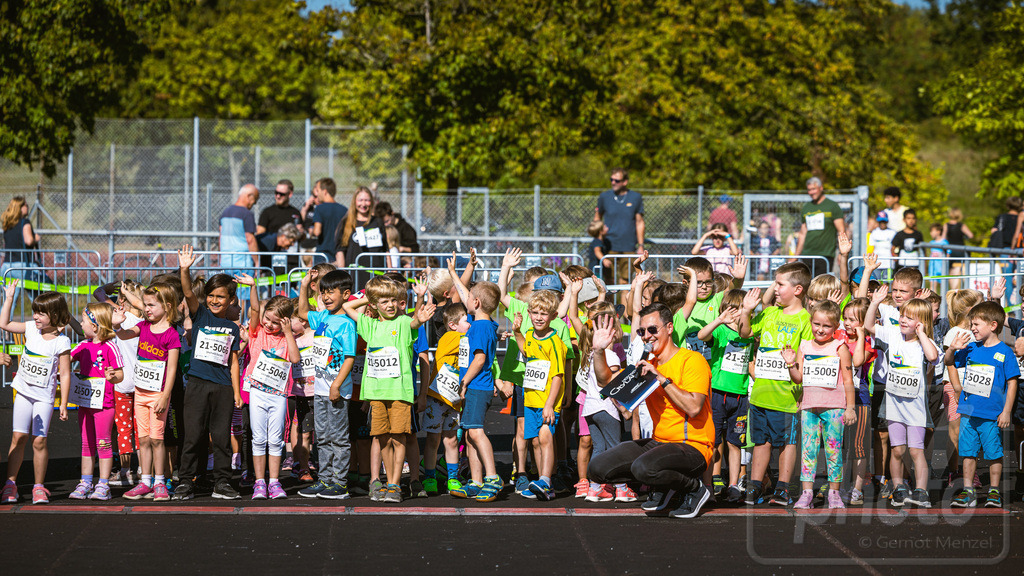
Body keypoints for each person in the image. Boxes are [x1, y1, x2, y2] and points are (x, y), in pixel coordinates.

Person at [587, 303, 715, 520]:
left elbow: (694, 407)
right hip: (660, 444)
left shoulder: (692, 360)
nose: (646, 336)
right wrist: (599, 351)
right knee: (597, 469)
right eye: (641, 331)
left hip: (693, 446)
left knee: (643, 468)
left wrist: (661, 379)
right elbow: (606, 381)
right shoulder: (647, 365)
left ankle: (694, 488)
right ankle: (665, 486)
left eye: (652, 330)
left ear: (669, 328)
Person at [343, 276, 434, 503]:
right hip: (376, 393)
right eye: (384, 301)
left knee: (398, 438)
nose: (390, 305)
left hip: (400, 393)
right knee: (382, 438)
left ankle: (394, 485)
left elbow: (414, 322)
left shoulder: (403, 323)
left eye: (393, 300)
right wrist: (369, 296)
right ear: (373, 304)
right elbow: (346, 306)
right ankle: (385, 482)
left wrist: (420, 303)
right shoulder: (370, 326)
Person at [737, 263, 813, 506]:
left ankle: (783, 487)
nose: (775, 289)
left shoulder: (806, 320)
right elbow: (745, 332)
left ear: (798, 289)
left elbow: (808, 358)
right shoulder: (770, 313)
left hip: (788, 395)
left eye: (780, 284)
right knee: (761, 441)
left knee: (787, 442)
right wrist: (746, 311)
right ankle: (757, 485)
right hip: (761, 393)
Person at [173, 245, 243, 501]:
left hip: (223, 388)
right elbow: (188, 291)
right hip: (197, 385)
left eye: (221, 297)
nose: (214, 300)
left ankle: (222, 482)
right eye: (211, 295)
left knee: (222, 437)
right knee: (193, 435)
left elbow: (234, 363)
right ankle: (186, 480)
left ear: (230, 300)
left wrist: (236, 392)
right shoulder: (200, 314)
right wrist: (185, 269)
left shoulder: (233, 328)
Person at [864, 285, 940, 508]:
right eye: (902, 316)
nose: (903, 320)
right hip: (894, 406)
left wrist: (923, 333)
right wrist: (875, 303)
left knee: (916, 450)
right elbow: (869, 325)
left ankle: (921, 491)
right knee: (897, 450)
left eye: (909, 318)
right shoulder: (893, 335)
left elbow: (933, 357)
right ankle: (898, 488)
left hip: (915, 407)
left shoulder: (924, 343)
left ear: (922, 322)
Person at [1, 284, 71, 505]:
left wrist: (64, 403)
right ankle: (10, 484)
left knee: (39, 441)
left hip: (44, 398)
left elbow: (66, 374)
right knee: (18, 437)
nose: (36, 316)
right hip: (23, 392)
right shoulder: (31, 328)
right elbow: (4, 324)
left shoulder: (62, 342)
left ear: (55, 315)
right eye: (35, 311)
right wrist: (9, 297)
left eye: (41, 313)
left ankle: (39, 487)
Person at [782, 300, 855, 510]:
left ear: (835, 327)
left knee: (833, 451)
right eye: (816, 324)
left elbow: (848, 380)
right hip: (810, 406)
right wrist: (789, 363)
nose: (820, 329)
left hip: (834, 408)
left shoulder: (839, 348)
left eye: (826, 326)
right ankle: (806, 493)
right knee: (808, 450)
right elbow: (798, 378)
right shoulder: (804, 346)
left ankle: (834, 493)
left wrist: (850, 407)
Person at [947, 301, 1019, 508]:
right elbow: (949, 362)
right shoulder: (970, 348)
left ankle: (994, 491)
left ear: (993, 325)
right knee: (968, 452)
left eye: (976, 324)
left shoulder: (1005, 352)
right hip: (969, 411)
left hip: (992, 413)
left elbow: (1012, 383)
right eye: (971, 324)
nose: (972, 328)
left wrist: (1006, 411)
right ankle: (968, 491)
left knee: (993, 453)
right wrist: (952, 348)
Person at [114, 284, 181, 502]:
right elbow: (124, 335)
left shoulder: (171, 335)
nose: (147, 309)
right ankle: (145, 482)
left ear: (167, 306)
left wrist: (164, 396)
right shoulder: (142, 327)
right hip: (140, 393)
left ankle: (160, 482)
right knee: (143, 439)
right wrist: (116, 326)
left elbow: (172, 369)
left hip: (158, 395)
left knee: (157, 439)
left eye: (151, 305)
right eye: (145, 304)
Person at [444, 259, 505, 502]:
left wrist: (464, 382)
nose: (466, 298)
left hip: (477, 387)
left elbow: (479, 359)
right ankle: (476, 480)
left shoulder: (479, 327)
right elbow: (468, 294)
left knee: (476, 432)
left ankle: (492, 477)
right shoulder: (486, 322)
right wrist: (453, 274)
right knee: (468, 435)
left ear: (476, 303)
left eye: (470, 297)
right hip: (476, 386)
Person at [237, 276, 300, 500]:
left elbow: (294, 358)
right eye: (267, 319)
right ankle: (259, 482)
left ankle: (274, 482)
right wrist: (253, 286)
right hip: (257, 393)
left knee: (275, 439)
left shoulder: (285, 338)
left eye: (275, 322)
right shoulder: (257, 332)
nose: (269, 325)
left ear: (284, 322)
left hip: (279, 395)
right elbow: (254, 308)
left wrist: (289, 333)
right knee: (258, 438)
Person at [297, 270, 357, 500]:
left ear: (346, 294)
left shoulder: (346, 324)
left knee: (339, 437)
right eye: (323, 292)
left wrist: (336, 385)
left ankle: (340, 484)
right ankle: (325, 480)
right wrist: (304, 285)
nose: (326, 297)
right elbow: (303, 311)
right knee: (321, 437)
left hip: (337, 391)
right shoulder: (322, 317)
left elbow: (350, 357)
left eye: (331, 292)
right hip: (319, 390)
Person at [695, 289, 754, 501]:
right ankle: (708, 484)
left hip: (740, 396)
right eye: (733, 310)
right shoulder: (721, 331)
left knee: (735, 442)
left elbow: (751, 362)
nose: (737, 314)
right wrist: (719, 320)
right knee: (712, 440)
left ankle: (734, 485)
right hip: (718, 394)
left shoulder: (749, 334)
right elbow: (702, 335)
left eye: (742, 310)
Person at [67, 304, 125, 502]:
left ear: (95, 325)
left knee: (104, 443)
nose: (81, 324)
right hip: (85, 404)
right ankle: (85, 482)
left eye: (83, 321)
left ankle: (103, 484)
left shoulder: (110, 346)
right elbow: (66, 359)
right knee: (86, 444)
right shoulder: (83, 345)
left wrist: (112, 376)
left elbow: (120, 374)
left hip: (104, 405)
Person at [421, 303, 469, 495]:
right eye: (467, 320)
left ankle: (452, 478)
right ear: (452, 325)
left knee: (451, 441)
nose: (471, 324)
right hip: (437, 397)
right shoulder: (451, 338)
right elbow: (472, 340)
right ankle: (430, 477)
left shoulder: (462, 337)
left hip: (454, 400)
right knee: (433, 440)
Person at [595, 168, 645, 286]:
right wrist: (598, 238)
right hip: (608, 246)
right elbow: (597, 218)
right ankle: (608, 305)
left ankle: (624, 305)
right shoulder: (604, 197)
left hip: (629, 246)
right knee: (607, 283)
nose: (613, 182)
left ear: (625, 182)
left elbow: (640, 222)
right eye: (611, 180)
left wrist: (641, 245)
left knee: (626, 282)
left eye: (617, 180)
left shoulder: (636, 197)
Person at [335, 187, 389, 288]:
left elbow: (386, 250)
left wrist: (391, 272)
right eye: (360, 200)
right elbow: (340, 251)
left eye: (367, 200)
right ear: (354, 201)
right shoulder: (346, 222)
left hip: (376, 274)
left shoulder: (377, 222)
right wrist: (342, 273)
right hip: (355, 275)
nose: (363, 204)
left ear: (371, 202)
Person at [794, 177, 846, 277]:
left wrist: (841, 254)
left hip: (825, 255)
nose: (811, 192)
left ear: (821, 188)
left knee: (821, 288)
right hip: (807, 254)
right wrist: (795, 256)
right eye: (809, 190)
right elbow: (802, 233)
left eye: (814, 189)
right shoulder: (806, 208)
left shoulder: (832, 206)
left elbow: (841, 231)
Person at [1, 196, 42, 302]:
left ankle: (3, 318)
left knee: (9, 300)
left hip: (7, 266)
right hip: (23, 266)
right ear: (20, 207)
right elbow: (28, 240)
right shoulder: (25, 222)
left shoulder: (7, 224)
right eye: (26, 205)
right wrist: (35, 239)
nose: (28, 207)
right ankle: (42, 317)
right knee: (39, 300)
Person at [219, 184, 260, 274]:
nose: (255, 203)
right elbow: (250, 239)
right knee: (245, 288)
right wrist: (257, 262)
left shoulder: (225, 212)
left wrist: (221, 258)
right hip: (242, 264)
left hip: (225, 263)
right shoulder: (246, 214)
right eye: (255, 199)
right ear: (249, 196)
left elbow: (221, 237)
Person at [309, 178, 348, 263]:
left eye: (318, 190)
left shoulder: (319, 208)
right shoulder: (344, 209)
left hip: (322, 255)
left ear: (325, 191)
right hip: (339, 255)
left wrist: (311, 232)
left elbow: (317, 232)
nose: (317, 194)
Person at [943, 208, 974, 290]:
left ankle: (953, 290)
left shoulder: (946, 225)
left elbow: (943, 237)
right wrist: (965, 236)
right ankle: (961, 289)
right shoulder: (961, 225)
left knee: (952, 272)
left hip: (950, 251)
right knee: (961, 271)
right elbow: (970, 235)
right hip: (961, 251)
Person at [867, 212, 896, 278]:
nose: (882, 224)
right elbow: (871, 247)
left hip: (889, 263)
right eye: (881, 222)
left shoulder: (892, 233)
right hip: (877, 262)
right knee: (877, 282)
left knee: (887, 282)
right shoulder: (874, 233)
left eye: (884, 221)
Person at [586, 218, 613, 282]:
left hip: (599, 270)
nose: (607, 227)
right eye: (604, 227)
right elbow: (597, 251)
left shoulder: (601, 241)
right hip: (596, 271)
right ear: (601, 231)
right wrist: (604, 259)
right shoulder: (597, 242)